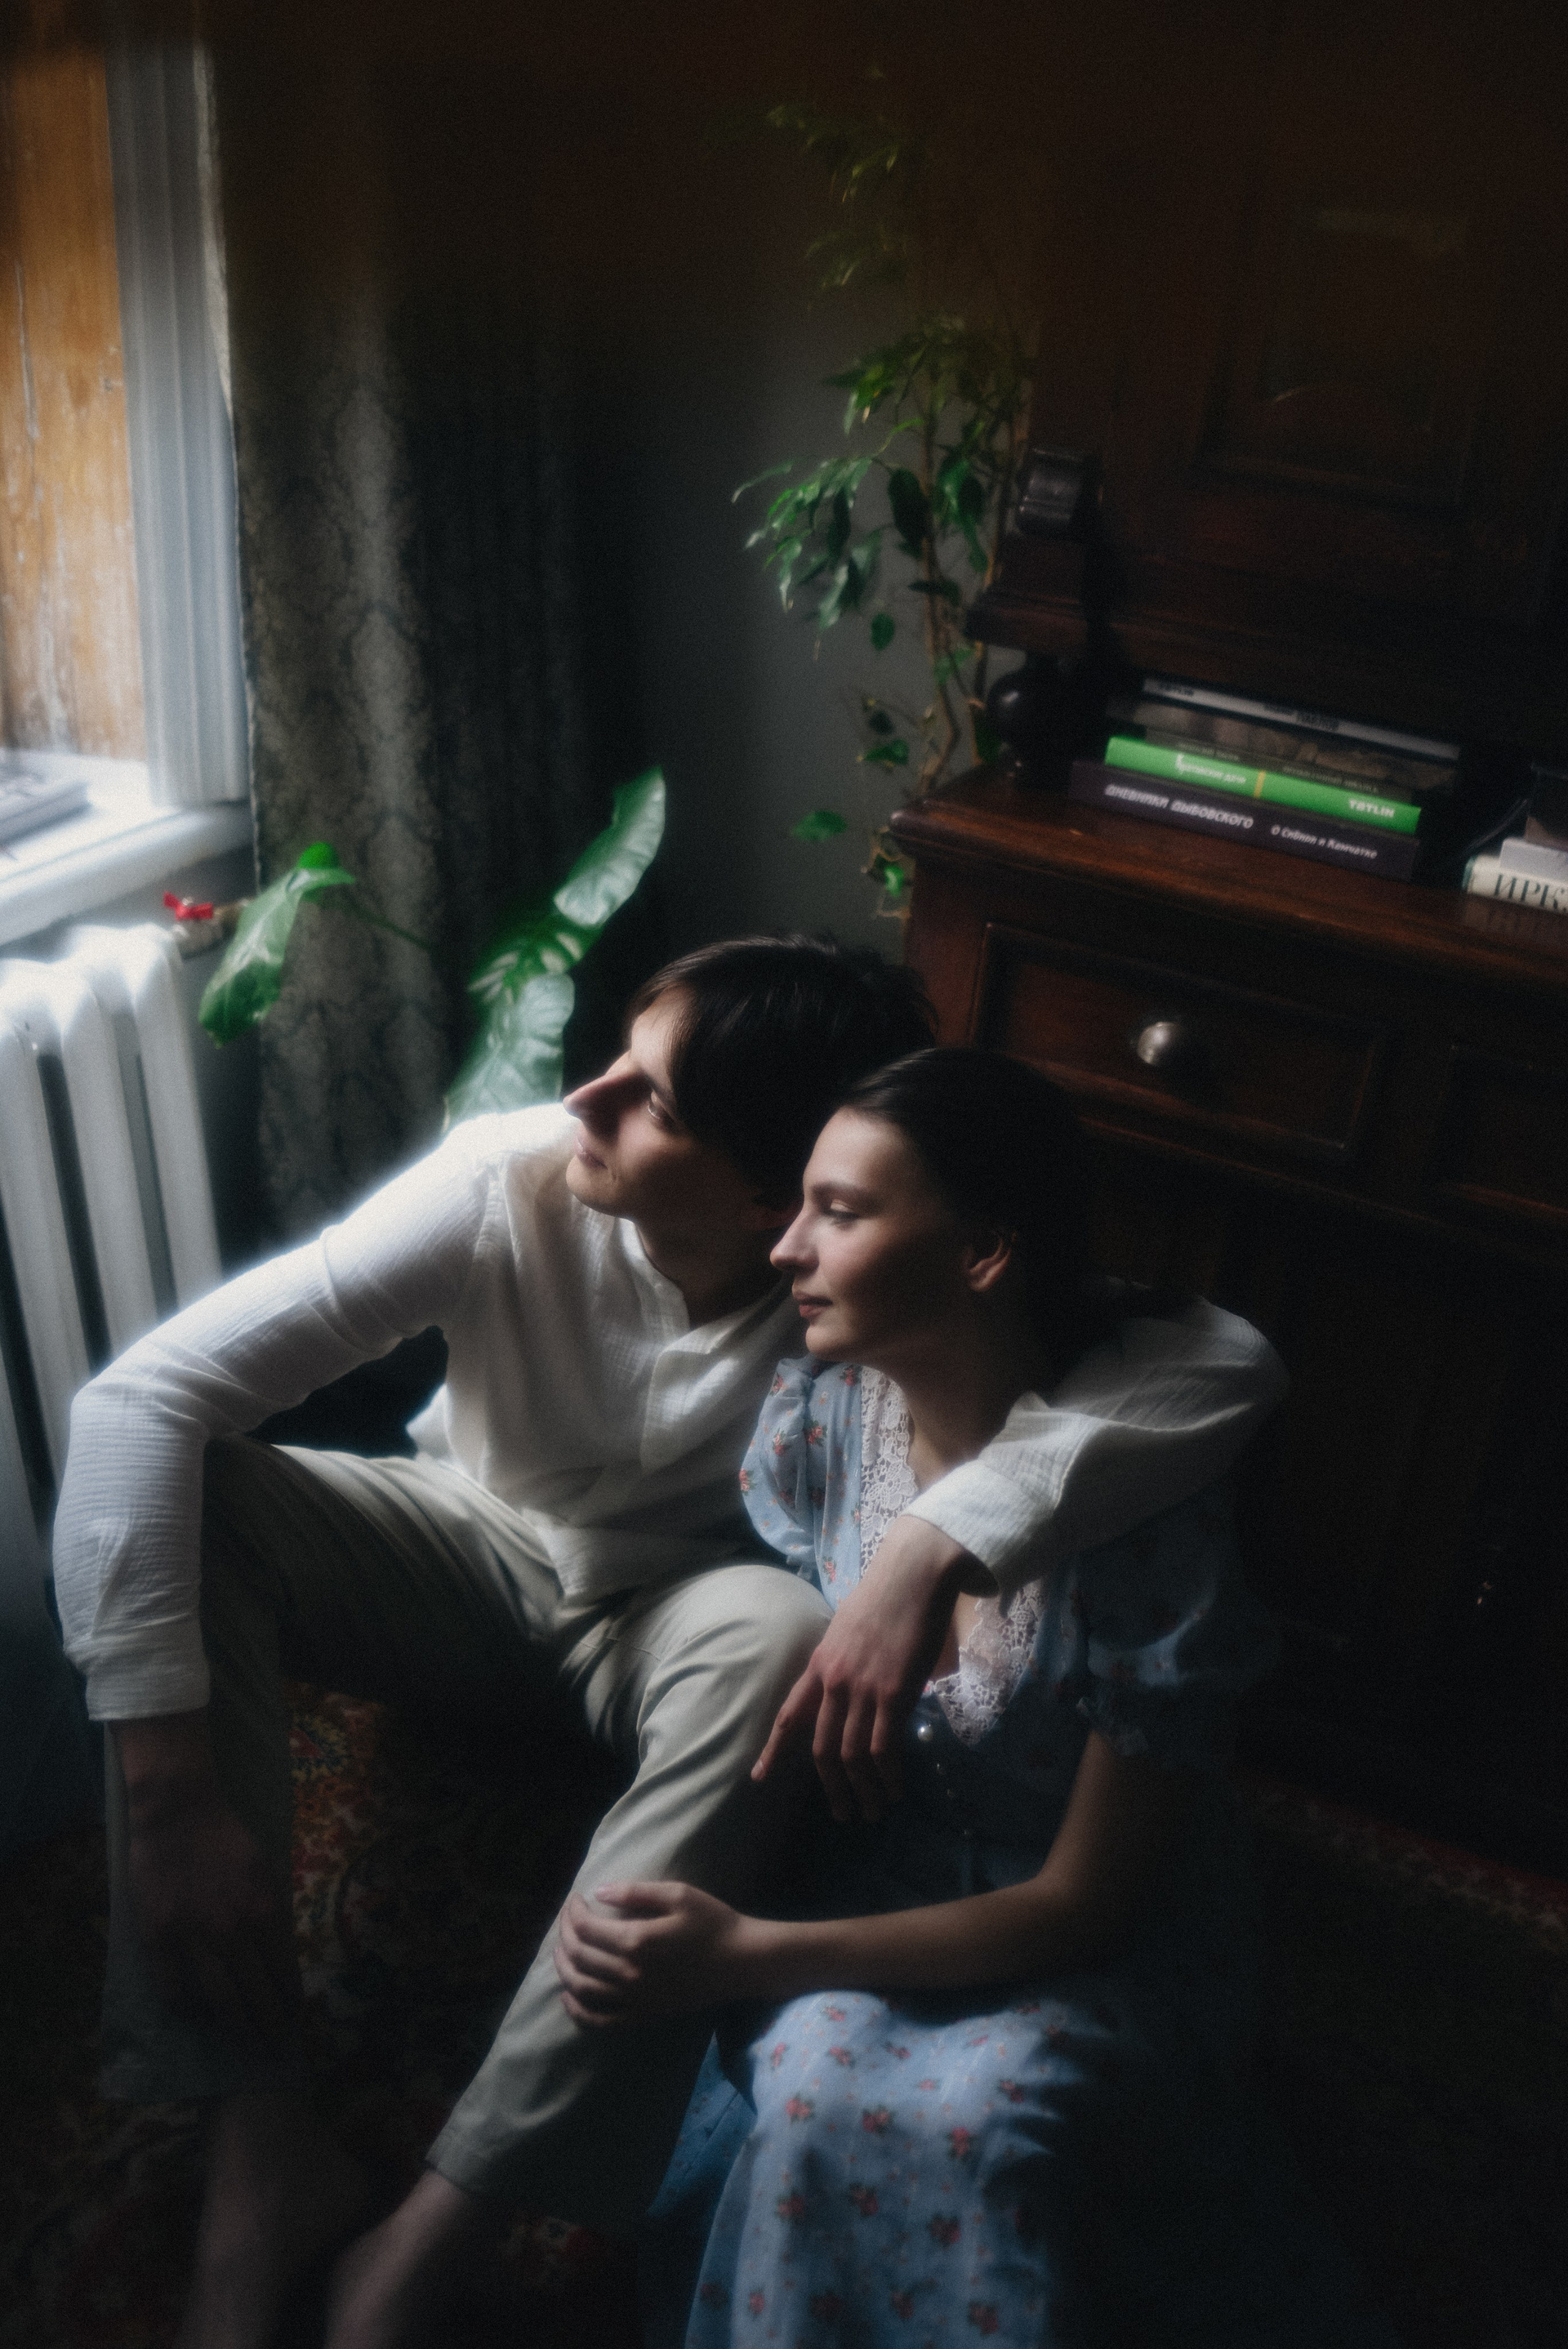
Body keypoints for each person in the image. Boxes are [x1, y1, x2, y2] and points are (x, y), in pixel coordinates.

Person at [52, 941, 1287, 2349]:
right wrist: (169, 1796)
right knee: (180, 1502)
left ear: (776, 1186)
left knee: (783, 1635)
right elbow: (133, 1408)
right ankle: (258, 2153)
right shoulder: (521, 1182)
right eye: (616, 1061)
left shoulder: (869, 1295)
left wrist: (924, 1546)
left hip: (689, 1625)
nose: (582, 1099)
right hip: (466, 1546)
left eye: (653, 1100)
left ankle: (448, 2226)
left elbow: (1220, 1364)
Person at [555, 1048, 1392, 2349]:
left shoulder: (1146, 1522)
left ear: (985, 1253)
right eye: (799, 1206)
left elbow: (1087, 1903)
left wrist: (753, 1955)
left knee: (974, 2121)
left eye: (839, 1212)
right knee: (816, 2084)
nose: (786, 1248)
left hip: (1085, 1938)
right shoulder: (824, 1426)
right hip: (864, 1886)